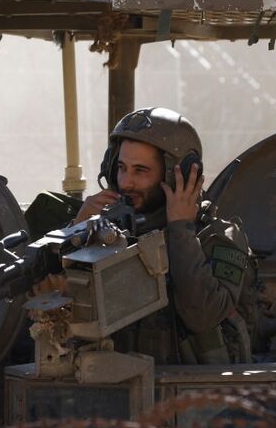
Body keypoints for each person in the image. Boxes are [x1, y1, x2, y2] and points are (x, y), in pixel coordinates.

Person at [76, 107, 256, 364]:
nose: (126, 182)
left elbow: (203, 316)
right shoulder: (110, 230)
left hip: (197, 394)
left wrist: (181, 229)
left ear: (176, 175)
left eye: (140, 171)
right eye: (121, 167)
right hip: (120, 388)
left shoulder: (217, 236)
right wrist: (78, 229)